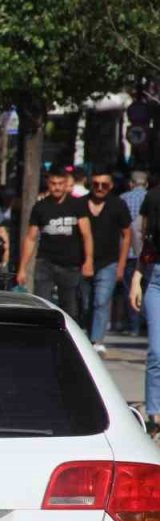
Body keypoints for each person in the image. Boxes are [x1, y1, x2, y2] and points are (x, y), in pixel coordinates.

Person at [16, 168, 93, 321]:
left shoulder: (77, 205)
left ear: (66, 185)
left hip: (70, 263)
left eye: (60, 183)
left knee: (70, 307)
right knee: (41, 303)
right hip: (46, 261)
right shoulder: (40, 207)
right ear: (48, 184)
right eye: (53, 183)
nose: (57, 187)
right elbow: (31, 238)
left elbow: (87, 234)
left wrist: (88, 260)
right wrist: (22, 268)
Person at [83, 168, 133, 353]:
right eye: (96, 184)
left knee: (101, 301)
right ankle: (86, 336)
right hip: (82, 261)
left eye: (104, 185)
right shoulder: (80, 203)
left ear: (111, 186)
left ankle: (96, 340)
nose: (100, 188)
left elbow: (127, 235)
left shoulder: (117, 205)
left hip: (109, 262)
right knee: (86, 302)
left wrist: (121, 264)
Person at [129, 254, 160, 436]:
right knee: (157, 352)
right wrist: (136, 279)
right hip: (156, 280)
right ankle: (154, 413)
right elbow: (148, 245)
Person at [120, 170, 150, 335]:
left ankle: (134, 326)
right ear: (146, 184)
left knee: (130, 290)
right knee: (148, 288)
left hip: (129, 252)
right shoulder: (151, 198)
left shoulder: (123, 199)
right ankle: (147, 324)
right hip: (148, 253)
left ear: (131, 183)